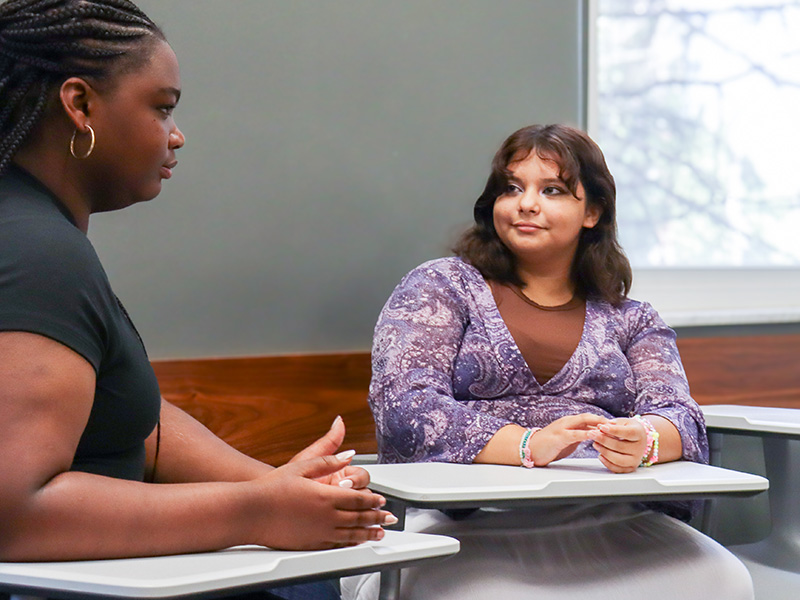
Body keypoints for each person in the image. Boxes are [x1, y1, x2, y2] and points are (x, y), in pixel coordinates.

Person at [0, 2, 395, 599]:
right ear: (79, 104)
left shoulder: (34, 231)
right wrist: (256, 512)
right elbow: (13, 512)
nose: (176, 135)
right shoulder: (38, 252)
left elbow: (130, 419)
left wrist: (280, 487)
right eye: (162, 108)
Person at [342, 124, 754, 599]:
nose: (526, 204)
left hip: (608, 516)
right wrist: (528, 445)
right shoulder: (441, 286)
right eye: (511, 188)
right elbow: (404, 408)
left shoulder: (633, 319)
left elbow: (681, 417)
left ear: (592, 212)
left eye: (552, 190)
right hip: (461, 521)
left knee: (726, 580)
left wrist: (643, 440)